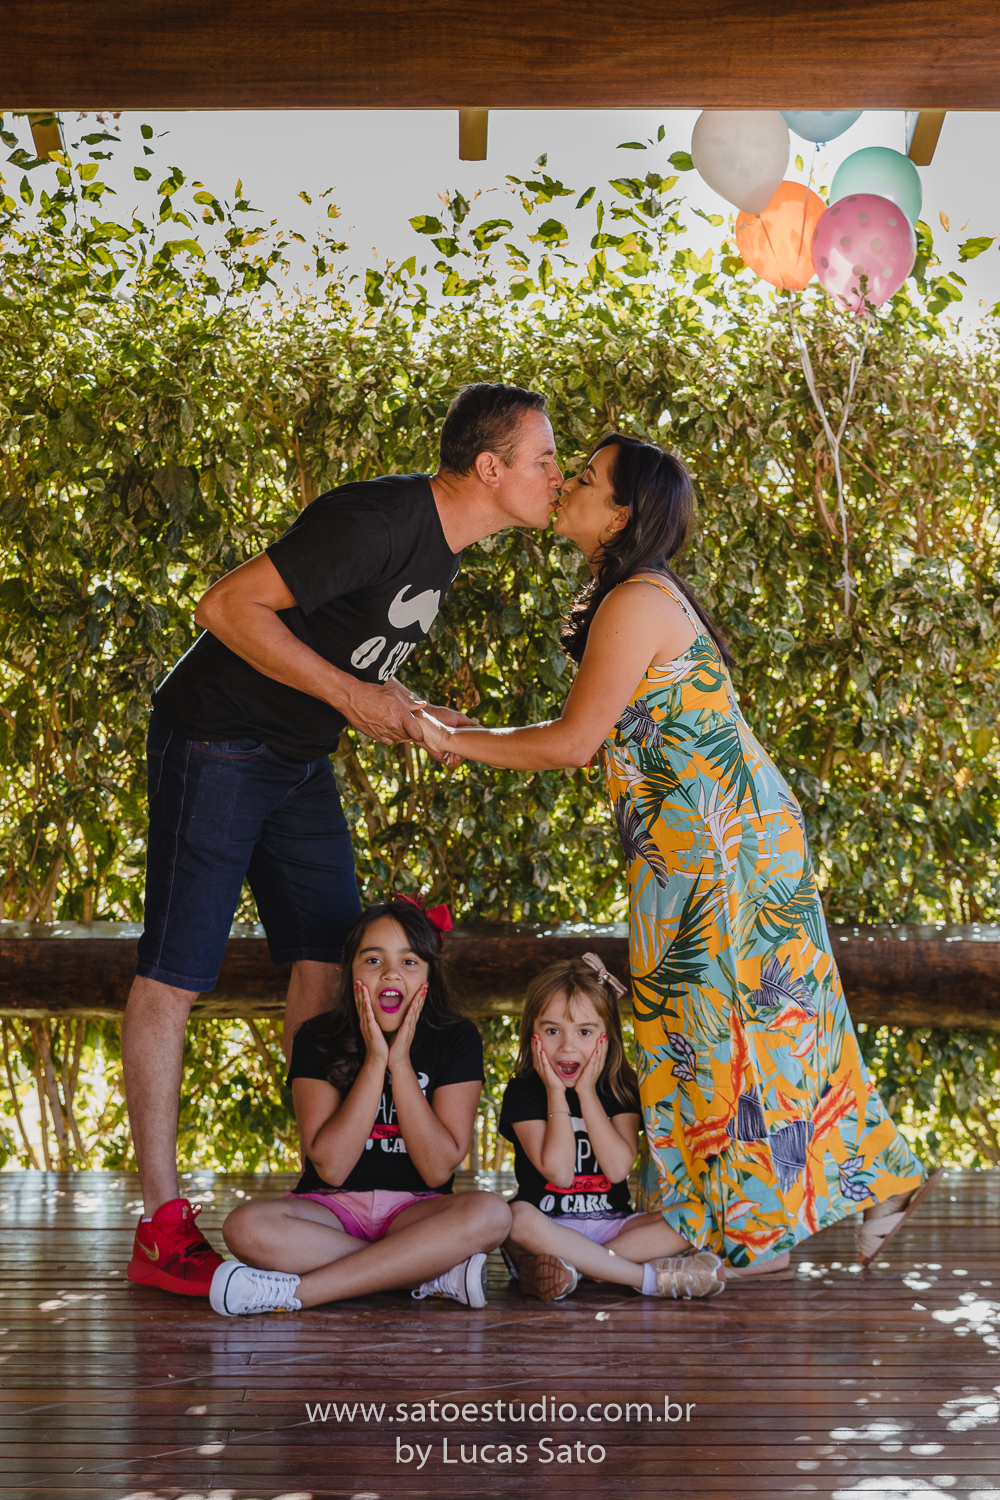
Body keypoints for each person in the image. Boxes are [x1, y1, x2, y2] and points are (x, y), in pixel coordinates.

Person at [417, 432, 939, 1284]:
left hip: (720, 850)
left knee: (734, 1031)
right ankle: (817, 1195)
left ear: (621, 514)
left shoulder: (637, 601)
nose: (566, 485)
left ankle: (808, 1198)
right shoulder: (627, 594)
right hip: (697, 847)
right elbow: (591, 730)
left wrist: (456, 743)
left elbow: (574, 742)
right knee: (748, 1029)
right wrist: (471, 733)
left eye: (583, 478)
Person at [124, 383, 562, 1297]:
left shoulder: (444, 552)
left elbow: (355, 659)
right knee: (176, 970)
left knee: (330, 960)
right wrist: (354, 700)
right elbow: (227, 607)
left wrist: (406, 707)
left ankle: (328, 1177)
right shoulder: (378, 520)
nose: (558, 477)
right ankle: (162, 1224)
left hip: (296, 756)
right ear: (490, 469)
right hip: (216, 739)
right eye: (545, 460)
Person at [210, 898, 511, 1316]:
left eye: (409, 962)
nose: (390, 973)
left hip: (418, 1210)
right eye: (373, 959)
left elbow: (437, 1168)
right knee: (244, 1227)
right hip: (329, 1208)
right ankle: (424, 1273)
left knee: (492, 1213)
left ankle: (299, 1294)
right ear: (350, 969)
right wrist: (375, 1060)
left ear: (429, 975)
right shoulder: (317, 1035)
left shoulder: (456, 1038)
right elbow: (331, 1168)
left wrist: (400, 1062)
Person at [500, 955, 724, 1301]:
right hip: (548, 1227)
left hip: (614, 1229)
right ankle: (647, 1278)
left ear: (607, 1036)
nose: (567, 1046)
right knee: (515, 1218)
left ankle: (577, 1270)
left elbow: (618, 1169)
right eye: (552, 1030)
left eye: (585, 1032)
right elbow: (559, 1173)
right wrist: (556, 1093)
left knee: (696, 1217)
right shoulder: (524, 1091)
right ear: (532, 1032)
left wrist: (587, 1092)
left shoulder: (620, 1086)